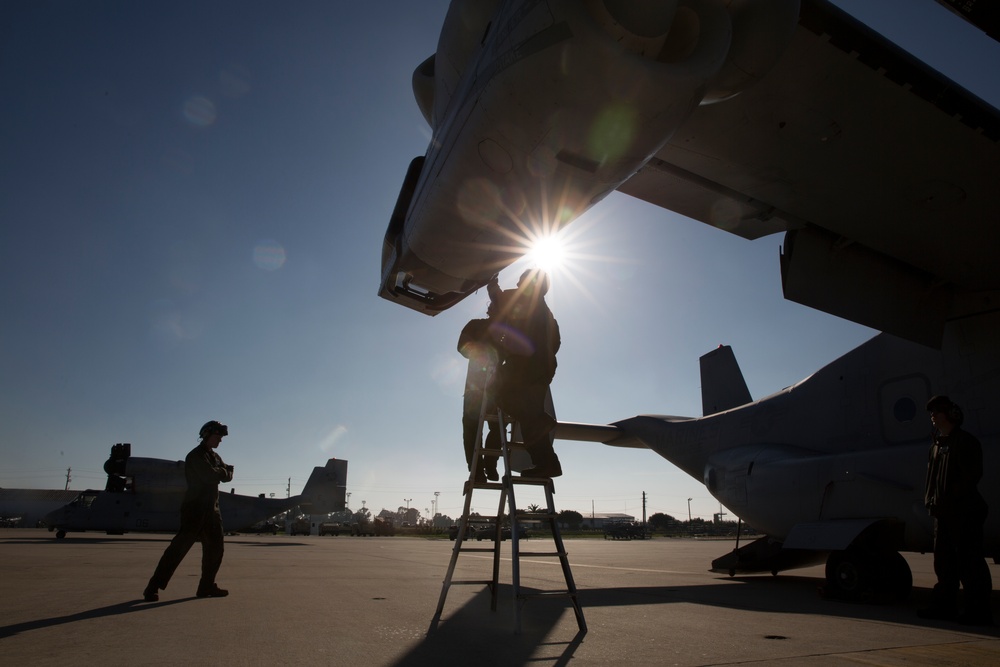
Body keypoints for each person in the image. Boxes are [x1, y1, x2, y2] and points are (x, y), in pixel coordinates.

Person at [918, 395, 993, 625]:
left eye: (937, 412)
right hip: (942, 513)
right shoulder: (936, 446)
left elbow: (971, 476)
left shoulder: (965, 442)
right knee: (944, 562)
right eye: (932, 413)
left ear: (950, 414)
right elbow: (932, 480)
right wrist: (932, 502)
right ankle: (944, 606)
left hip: (964, 512)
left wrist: (952, 500)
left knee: (970, 563)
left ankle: (977, 611)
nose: (933, 416)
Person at [143, 420, 234, 601]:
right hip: (195, 510)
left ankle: (206, 586)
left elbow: (228, 476)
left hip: (212, 511)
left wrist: (222, 472)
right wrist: (223, 472)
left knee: (216, 550)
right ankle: (153, 587)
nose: (220, 441)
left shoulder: (214, 457)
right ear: (207, 435)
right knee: (178, 550)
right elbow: (211, 476)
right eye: (218, 437)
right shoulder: (195, 456)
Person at [487, 268, 562, 478]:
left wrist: (491, 284)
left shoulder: (523, 300)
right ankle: (547, 463)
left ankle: (542, 422)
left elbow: (499, 299)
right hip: (543, 369)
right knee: (531, 420)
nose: (519, 285)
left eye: (521, 282)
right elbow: (556, 341)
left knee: (495, 390)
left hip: (525, 368)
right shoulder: (547, 312)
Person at [458, 302, 503, 483]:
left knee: (494, 428)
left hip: (495, 389)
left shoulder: (507, 331)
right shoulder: (476, 325)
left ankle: (488, 465)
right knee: (473, 429)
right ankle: (478, 470)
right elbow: (463, 347)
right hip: (477, 389)